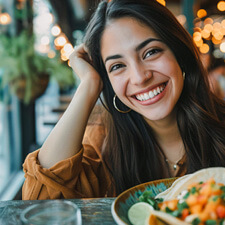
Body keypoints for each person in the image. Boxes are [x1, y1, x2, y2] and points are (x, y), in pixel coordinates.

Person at [22, 0, 225, 200]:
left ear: (179, 53)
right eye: (117, 66)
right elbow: (40, 200)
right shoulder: (102, 141)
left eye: (151, 52)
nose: (139, 77)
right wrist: (89, 85)